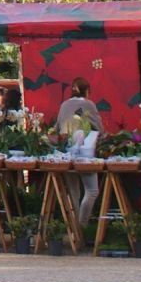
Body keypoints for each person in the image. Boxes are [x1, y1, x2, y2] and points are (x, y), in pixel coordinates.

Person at [56, 77, 103, 225]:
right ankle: (82, 225)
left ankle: (74, 230)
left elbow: (57, 128)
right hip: (84, 153)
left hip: (66, 152)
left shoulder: (64, 105)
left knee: (74, 192)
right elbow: (100, 128)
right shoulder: (88, 104)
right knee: (92, 191)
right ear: (87, 91)